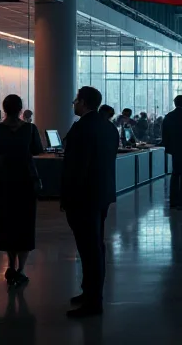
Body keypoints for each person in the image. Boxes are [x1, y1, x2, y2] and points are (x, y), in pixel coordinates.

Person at [62, 86, 119, 317]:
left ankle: (93, 301)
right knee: (95, 246)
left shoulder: (81, 128)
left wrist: (69, 196)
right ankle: (90, 292)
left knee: (89, 249)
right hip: (101, 194)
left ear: (84, 102)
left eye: (76, 100)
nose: (74, 104)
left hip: (83, 197)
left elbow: (75, 167)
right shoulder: (108, 126)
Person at [0, 94, 44, 289]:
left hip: (4, 180)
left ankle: (10, 264)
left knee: (6, 222)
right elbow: (37, 150)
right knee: (25, 223)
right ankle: (21, 269)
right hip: (26, 179)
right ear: (21, 109)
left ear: (4, 109)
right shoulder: (30, 129)